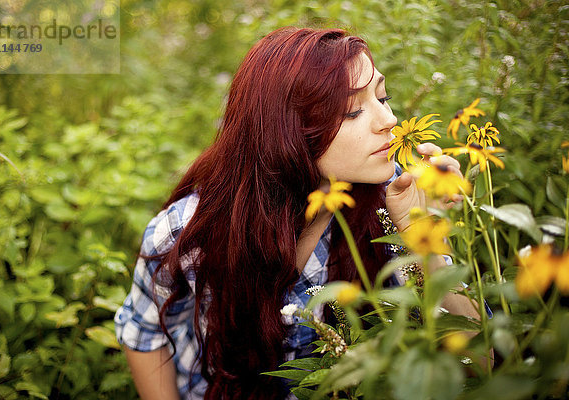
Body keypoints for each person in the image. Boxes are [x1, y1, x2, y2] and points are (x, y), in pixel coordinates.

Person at [114, 27, 479, 400]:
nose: (388, 120)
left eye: (383, 97)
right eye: (352, 110)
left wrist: (424, 238)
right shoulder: (187, 232)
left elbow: (480, 364)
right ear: (286, 132)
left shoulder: (396, 199)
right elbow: (144, 333)